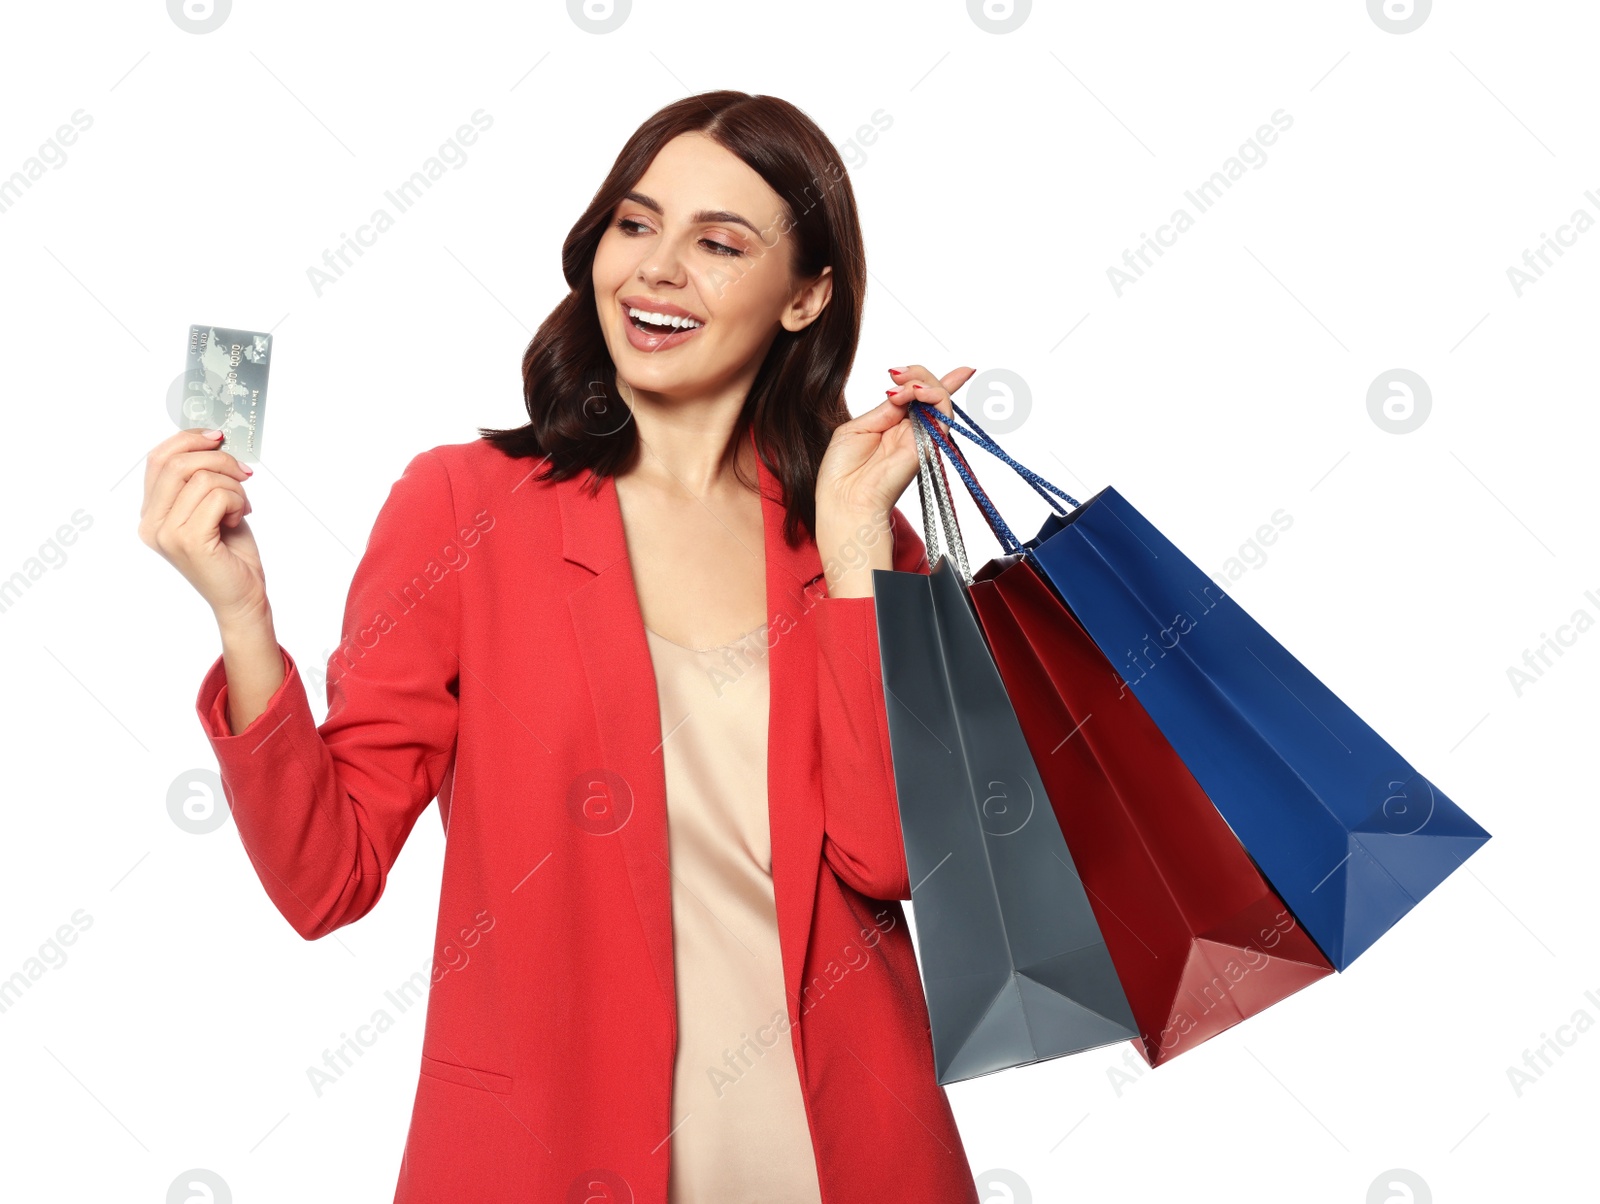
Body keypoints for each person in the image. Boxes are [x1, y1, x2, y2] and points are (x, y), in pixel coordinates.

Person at [139, 90, 982, 1204]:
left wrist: (855, 549)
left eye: (719, 243)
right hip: (554, 1154)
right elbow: (325, 877)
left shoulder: (852, 538)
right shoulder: (466, 509)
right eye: (636, 225)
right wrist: (243, 618)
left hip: (839, 1153)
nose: (659, 269)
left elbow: (884, 860)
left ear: (806, 296)